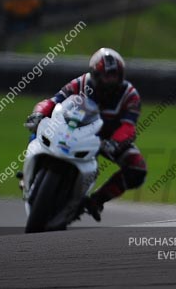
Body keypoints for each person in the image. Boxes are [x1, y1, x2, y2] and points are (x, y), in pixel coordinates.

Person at [24, 48, 147, 221]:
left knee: (137, 168)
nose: (111, 80)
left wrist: (115, 142)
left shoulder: (130, 95)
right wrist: (39, 113)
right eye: (107, 75)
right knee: (40, 127)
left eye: (115, 75)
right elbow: (54, 101)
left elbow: (128, 127)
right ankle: (30, 173)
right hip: (74, 129)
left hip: (107, 139)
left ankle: (96, 201)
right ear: (95, 74)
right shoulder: (80, 83)